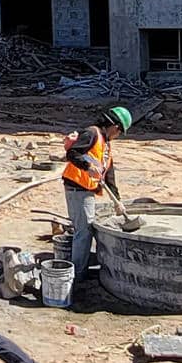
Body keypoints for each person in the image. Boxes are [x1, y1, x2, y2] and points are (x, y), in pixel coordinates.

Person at [62, 105, 131, 281]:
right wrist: (87, 167)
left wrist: (118, 201)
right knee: (83, 231)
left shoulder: (106, 145)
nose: (118, 136)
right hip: (77, 187)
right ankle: (77, 275)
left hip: (87, 190)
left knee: (86, 229)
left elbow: (109, 176)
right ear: (115, 127)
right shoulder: (91, 134)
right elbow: (72, 153)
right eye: (120, 132)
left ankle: (81, 268)